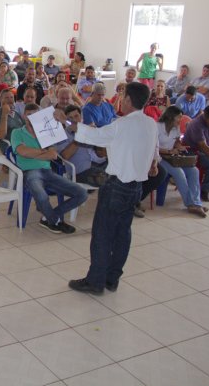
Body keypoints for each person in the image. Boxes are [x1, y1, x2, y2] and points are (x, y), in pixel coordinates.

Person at [53, 82, 159, 294]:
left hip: (117, 186)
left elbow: (93, 136)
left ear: (128, 99)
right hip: (136, 187)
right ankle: (112, 278)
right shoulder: (150, 124)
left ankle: (95, 281)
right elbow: (153, 153)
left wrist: (65, 119)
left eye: (122, 96)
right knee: (122, 233)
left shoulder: (122, 125)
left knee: (102, 234)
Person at [11, 104, 88, 234]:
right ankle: (55, 220)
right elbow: (22, 151)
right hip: (29, 173)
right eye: (29, 115)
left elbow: (52, 155)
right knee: (41, 196)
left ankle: (49, 217)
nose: (31, 118)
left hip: (48, 172)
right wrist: (42, 152)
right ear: (24, 116)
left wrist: (33, 152)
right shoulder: (17, 132)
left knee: (82, 193)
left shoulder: (47, 132)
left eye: (35, 115)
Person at [156, 106, 206, 216]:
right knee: (179, 173)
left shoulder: (175, 128)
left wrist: (179, 147)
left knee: (194, 171)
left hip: (173, 158)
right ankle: (191, 204)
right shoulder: (157, 127)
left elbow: (176, 141)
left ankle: (196, 203)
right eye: (178, 117)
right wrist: (169, 151)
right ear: (171, 117)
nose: (180, 120)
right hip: (159, 158)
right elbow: (153, 148)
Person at [55, 105, 108, 187]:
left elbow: (100, 153)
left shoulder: (88, 129)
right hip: (81, 171)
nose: (74, 120)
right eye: (70, 118)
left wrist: (100, 147)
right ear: (67, 121)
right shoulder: (62, 134)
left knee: (118, 167)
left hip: (98, 165)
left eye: (76, 116)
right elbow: (65, 156)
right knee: (104, 178)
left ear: (81, 116)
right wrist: (80, 137)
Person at [182, 104, 209, 202]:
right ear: (205, 116)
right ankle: (204, 190)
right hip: (194, 152)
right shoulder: (196, 124)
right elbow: (203, 147)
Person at [0, 89, 24, 154]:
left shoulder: (16, 114)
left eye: (12, 97)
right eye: (6, 98)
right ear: (1, 100)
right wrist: (4, 114)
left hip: (24, 144)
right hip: (10, 148)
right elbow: (1, 136)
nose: (10, 100)